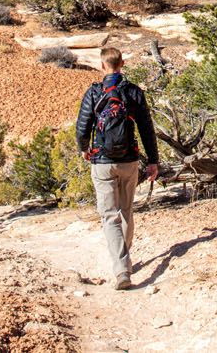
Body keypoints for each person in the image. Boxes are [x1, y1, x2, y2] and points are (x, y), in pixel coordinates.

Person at [75, 46, 160, 289]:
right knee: (126, 211)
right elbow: (146, 128)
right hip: (129, 160)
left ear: (102, 65)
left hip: (102, 161)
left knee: (109, 215)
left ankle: (122, 268)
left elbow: (83, 127)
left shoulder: (94, 92)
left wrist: (84, 148)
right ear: (122, 63)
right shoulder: (134, 92)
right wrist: (153, 160)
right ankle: (124, 255)